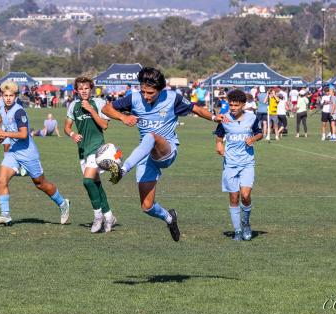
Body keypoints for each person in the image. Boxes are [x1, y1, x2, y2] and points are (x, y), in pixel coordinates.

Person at [101, 67, 227, 242]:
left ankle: (122, 170)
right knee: (146, 206)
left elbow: (195, 109)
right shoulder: (134, 97)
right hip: (144, 155)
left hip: (166, 150)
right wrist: (122, 117)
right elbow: (106, 108)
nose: (146, 95)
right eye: (143, 91)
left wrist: (214, 118)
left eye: (150, 92)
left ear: (160, 89)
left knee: (151, 136)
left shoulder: (172, 97)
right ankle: (169, 218)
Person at [0, 81, 70, 225]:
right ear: (1, 96)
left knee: (41, 184)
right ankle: (5, 215)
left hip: (28, 153)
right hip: (13, 152)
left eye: (11, 95)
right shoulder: (2, 107)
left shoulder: (19, 111)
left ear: (16, 96)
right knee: (1, 180)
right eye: (5, 95)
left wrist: (4, 133)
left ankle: (63, 203)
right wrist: (1, 135)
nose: (8, 98)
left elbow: (23, 135)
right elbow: (3, 119)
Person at [64, 77, 117, 233]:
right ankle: (109, 217)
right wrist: (72, 134)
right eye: (81, 89)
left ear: (91, 89)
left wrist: (91, 110)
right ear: (77, 91)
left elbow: (104, 125)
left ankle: (98, 216)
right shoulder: (73, 105)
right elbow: (67, 127)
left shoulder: (99, 103)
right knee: (96, 184)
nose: (84, 91)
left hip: (97, 149)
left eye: (86, 88)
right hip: (83, 150)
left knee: (87, 181)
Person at [214, 90, 263, 241]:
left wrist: (253, 139)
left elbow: (260, 133)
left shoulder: (252, 118)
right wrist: (219, 145)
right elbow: (219, 136)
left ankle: (246, 223)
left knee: (246, 196)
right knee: (234, 197)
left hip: (247, 162)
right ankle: (237, 231)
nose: (233, 108)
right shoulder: (224, 119)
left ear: (243, 105)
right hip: (230, 164)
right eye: (231, 105)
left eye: (236, 105)